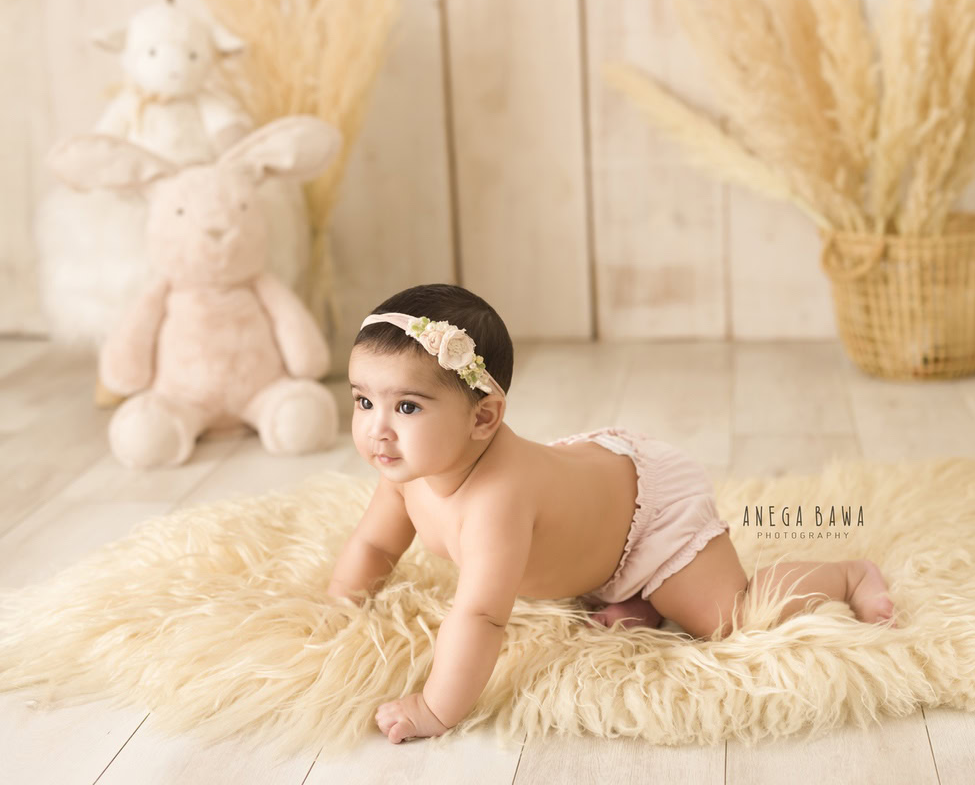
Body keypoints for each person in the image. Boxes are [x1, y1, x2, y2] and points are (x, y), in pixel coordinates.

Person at [326, 283, 896, 744]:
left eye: (406, 406)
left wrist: (434, 708)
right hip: (588, 498)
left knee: (729, 617)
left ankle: (846, 574)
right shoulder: (404, 471)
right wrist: (341, 605)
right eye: (363, 401)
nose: (377, 428)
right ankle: (628, 596)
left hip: (647, 514)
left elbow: (479, 618)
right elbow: (374, 548)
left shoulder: (498, 500)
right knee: (585, 550)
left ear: (483, 418)